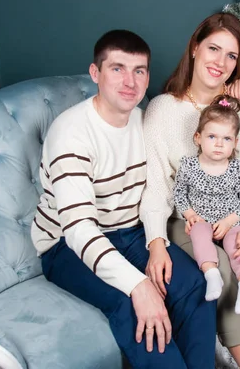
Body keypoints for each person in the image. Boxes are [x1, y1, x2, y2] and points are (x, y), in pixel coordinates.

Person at [31, 29, 216, 369]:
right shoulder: (71, 134)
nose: (129, 81)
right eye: (117, 68)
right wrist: (138, 285)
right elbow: (79, 231)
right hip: (65, 246)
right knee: (132, 305)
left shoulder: (143, 117)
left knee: (194, 286)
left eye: (139, 70)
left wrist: (156, 243)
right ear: (95, 73)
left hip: (129, 232)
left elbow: (154, 189)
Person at [140, 13, 240, 369]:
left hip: (238, 217)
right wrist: (156, 242)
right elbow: (156, 186)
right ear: (194, 48)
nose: (220, 62)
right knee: (225, 276)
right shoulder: (162, 111)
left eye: (231, 56)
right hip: (187, 219)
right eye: (213, 49)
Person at [174, 95, 240, 314]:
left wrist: (231, 220)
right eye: (212, 136)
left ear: (235, 143)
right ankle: (212, 274)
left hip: (231, 222)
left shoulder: (237, 169)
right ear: (198, 138)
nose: (219, 144)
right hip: (202, 219)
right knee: (198, 234)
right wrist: (190, 214)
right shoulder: (189, 166)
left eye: (227, 138)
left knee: (237, 246)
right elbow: (179, 193)